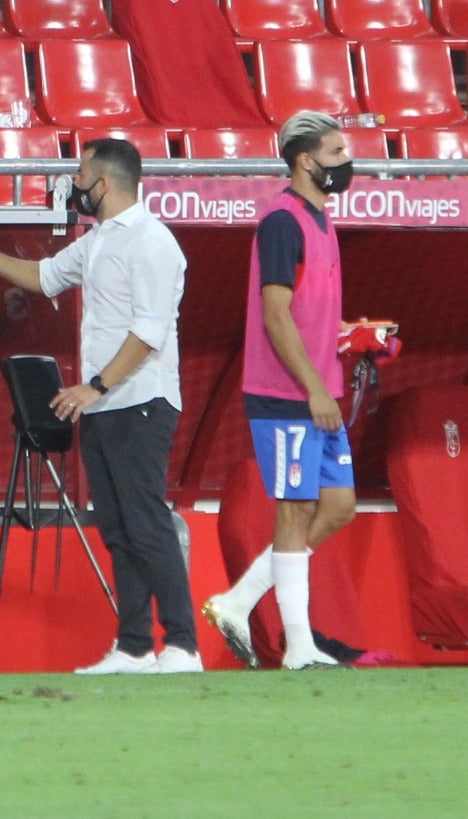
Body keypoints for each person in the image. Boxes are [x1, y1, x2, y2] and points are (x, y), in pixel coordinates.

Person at [0, 137, 201, 675]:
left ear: (102, 182)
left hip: (140, 401)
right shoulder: (99, 239)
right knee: (117, 526)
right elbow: (44, 276)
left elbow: (148, 333)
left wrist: (94, 387)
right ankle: (132, 645)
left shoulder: (153, 242)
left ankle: (184, 645)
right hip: (104, 407)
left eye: (80, 174)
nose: (73, 184)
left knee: (145, 520)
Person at [202, 111, 356, 671]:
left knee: (337, 506)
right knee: (294, 511)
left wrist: (351, 334)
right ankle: (298, 648)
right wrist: (315, 387)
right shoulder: (282, 222)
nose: (346, 162)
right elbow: (274, 314)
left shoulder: (320, 220)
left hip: (318, 389)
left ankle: (236, 602)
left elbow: (307, 313)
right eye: (336, 153)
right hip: (287, 394)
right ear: (305, 160)